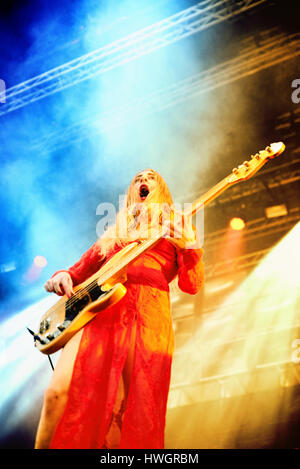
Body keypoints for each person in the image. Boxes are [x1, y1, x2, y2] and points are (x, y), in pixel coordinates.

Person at [34, 169, 204, 449]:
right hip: (98, 318)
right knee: (56, 393)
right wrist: (60, 277)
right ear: (130, 194)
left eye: (151, 178)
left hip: (145, 320)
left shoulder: (177, 229)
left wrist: (190, 247)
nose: (142, 181)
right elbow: (74, 272)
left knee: (123, 414)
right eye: (137, 178)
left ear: (161, 193)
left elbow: (192, 285)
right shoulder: (112, 239)